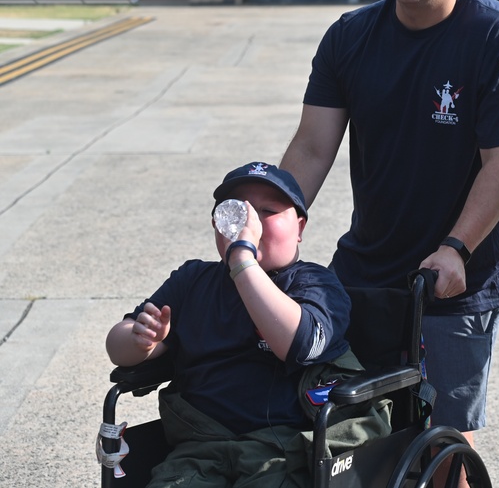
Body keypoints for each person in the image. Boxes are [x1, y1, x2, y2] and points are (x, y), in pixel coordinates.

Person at [279, 0, 499, 458]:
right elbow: (312, 146)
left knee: (443, 440)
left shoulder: (498, 37)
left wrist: (456, 249)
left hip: (452, 279)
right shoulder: (350, 36)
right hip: (364, 270)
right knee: (352, 431)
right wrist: (271, 225)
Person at [105, 162, 390, 487]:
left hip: (283, 450)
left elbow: (297, 343)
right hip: (200, 446)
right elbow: (118, 348)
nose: (249, 224)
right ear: (217, 224)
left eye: (267, 211)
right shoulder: (192, 281)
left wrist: (243, 259)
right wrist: (140, 341)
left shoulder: (316, 284)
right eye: (236, 213)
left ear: (299, 227)